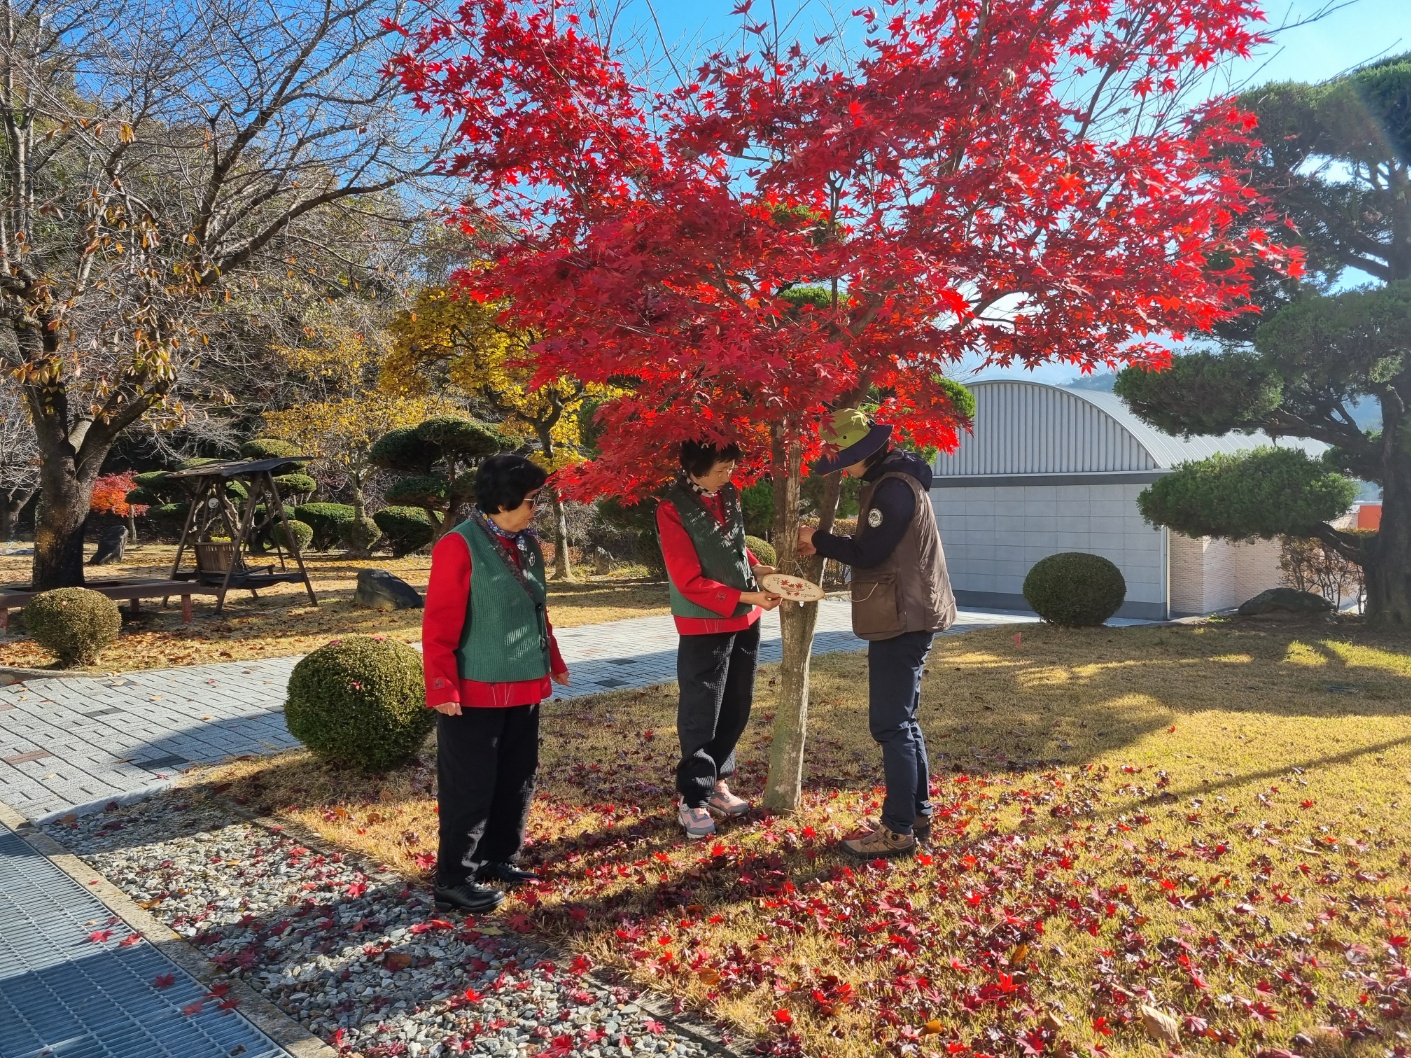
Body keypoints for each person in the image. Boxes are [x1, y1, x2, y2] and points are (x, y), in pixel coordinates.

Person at [798, 408, 956, 858]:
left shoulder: (892, 489)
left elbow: (869, 552)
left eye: (840, 458)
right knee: (904, 722)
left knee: (890, 725)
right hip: (911, 613)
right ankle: (917, 815)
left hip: (902, 617)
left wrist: (818, 539)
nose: (840, 468)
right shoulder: (898, 479)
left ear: (860, 452)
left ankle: (897, 831)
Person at [422, 454, 570, 913]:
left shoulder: (528, 542)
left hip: (524, 681)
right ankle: (454, 878)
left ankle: (498, 857)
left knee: (517, 777)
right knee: (470, 785)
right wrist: (442, 686)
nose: (535, 508)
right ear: (502, 502)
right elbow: (439, 623)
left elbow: (537, 609)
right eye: (530, 500)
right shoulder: (458, 545)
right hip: (473, 690)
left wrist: (554, 660)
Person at [657, 440, 782, 840]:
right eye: (719, 470)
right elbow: (687, 579)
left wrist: (757, 569)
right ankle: (693, 798)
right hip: (703, 622)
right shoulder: (672, 509)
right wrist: (747, 595)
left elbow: (734, 545)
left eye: (730, 468)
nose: (727, 476)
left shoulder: (729, 495)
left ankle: (718, 782)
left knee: (737, 701)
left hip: (745, 618)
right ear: (694, 469)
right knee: (701, 709)